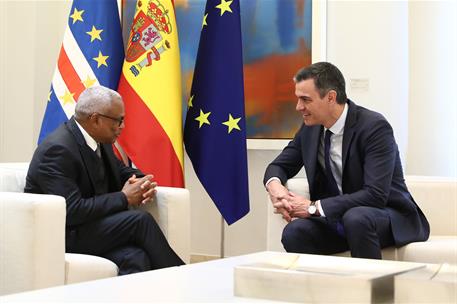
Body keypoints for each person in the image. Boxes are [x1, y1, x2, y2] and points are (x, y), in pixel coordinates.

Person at [264, 62, 430, 259]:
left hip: (385, 215)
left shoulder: (374, 127)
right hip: (339, 219)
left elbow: (375, 195)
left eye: (305, 100)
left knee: (357, 218)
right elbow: (279, 165)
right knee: (295, 232)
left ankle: (373, 289)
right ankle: (322, 288)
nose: (299, 107)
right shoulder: (310, 129)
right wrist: (276, 188)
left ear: (331, 97)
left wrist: (313, 207)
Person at [25, 86, 184, 274]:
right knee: (139, 220)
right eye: (119, 120)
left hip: (90, 227)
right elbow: (71, 210)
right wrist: (125, 198)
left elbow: (121, 171)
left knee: (135, 257)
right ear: (95, 119)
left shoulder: (99, 139)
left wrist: (141, 183)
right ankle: (182, 279)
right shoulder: (58, 150)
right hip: (62, 234)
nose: (122, 126)